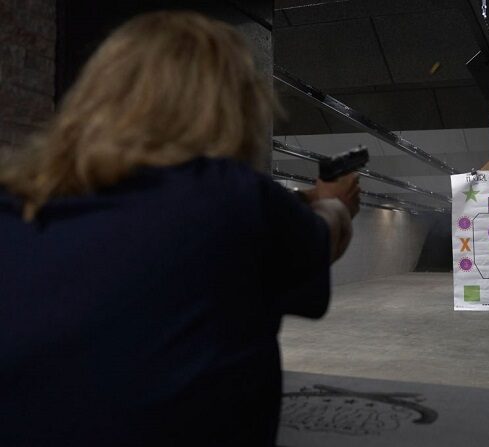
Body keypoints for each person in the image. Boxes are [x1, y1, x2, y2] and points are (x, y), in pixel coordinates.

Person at [0, 11, 359, 446]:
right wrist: (333, 204)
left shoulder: (17, 202)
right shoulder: (233, 199)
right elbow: (321, 238)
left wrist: (303, 198)